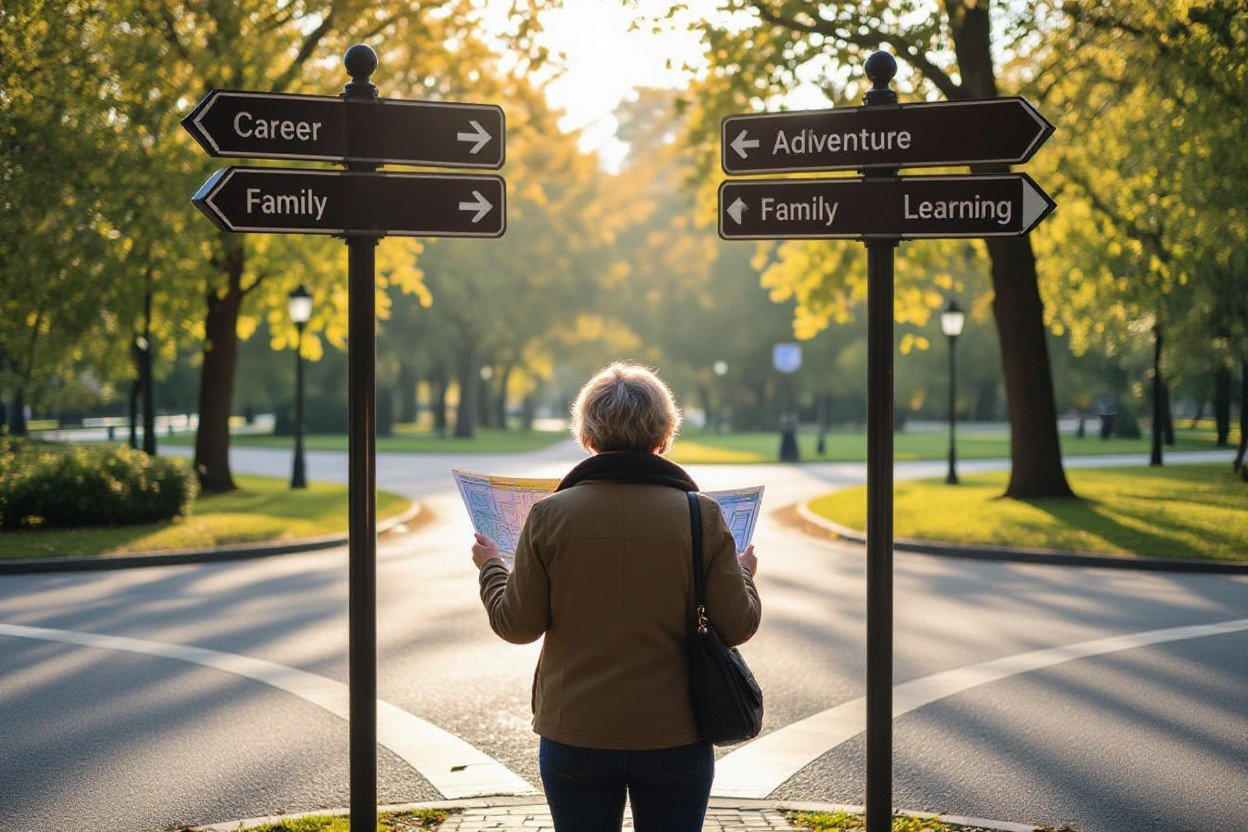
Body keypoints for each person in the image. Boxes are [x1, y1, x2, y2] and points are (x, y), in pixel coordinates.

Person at [471, 361, 761, 832]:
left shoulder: (548, 516)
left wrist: (491, 569)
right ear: (663, 435)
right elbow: (738, 624)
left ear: (588, 435)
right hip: (676, 732)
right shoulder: (701, 515)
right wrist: (744, 574)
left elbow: (516, 625)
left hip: (575, 731)